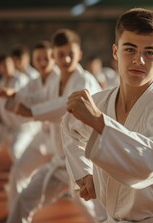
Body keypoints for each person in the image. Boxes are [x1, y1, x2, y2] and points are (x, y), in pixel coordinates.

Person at [61, 8, 153, 222]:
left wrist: (99, 122)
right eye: (130, 49)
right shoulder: (101, 101)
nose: (139, 60)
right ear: (115, 52)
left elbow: (148, 164)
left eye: (150, 52)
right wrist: (84, 173)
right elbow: (70, 126)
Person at [6, 29, 103, 223]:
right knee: (25, 199)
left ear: (80, 55)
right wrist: (16, 96)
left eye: (71, 54)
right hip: (60, 162)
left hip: (86, 164)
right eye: (61, 55)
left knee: (97, 212)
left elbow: (65, 105)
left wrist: (30, 111)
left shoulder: (84, 81)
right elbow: (40, 97)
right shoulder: (55, 81)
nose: (66, 59)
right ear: (54, 56)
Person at [1, 41, 59, 212]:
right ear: (33, 60)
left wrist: (30, 111)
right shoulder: (35, 81)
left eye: (46, 58)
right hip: (43, 136)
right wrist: (11, 94)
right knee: (19, 171)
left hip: (65, 140)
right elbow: (23, 94)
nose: (42, 62)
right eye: (38, 58)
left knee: (84, 194)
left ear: (53, 58)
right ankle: (15, 214)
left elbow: (52, 104)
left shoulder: (60, 79)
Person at [0, 54, 38, 166]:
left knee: (16, 151)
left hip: (23, 127)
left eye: (8, 63)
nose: (6, 67)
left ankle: (27, 179)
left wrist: (10, 92)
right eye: (3, 65)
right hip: (7, 126)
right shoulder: (0, 84)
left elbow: (21, 94)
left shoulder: (21, 79)